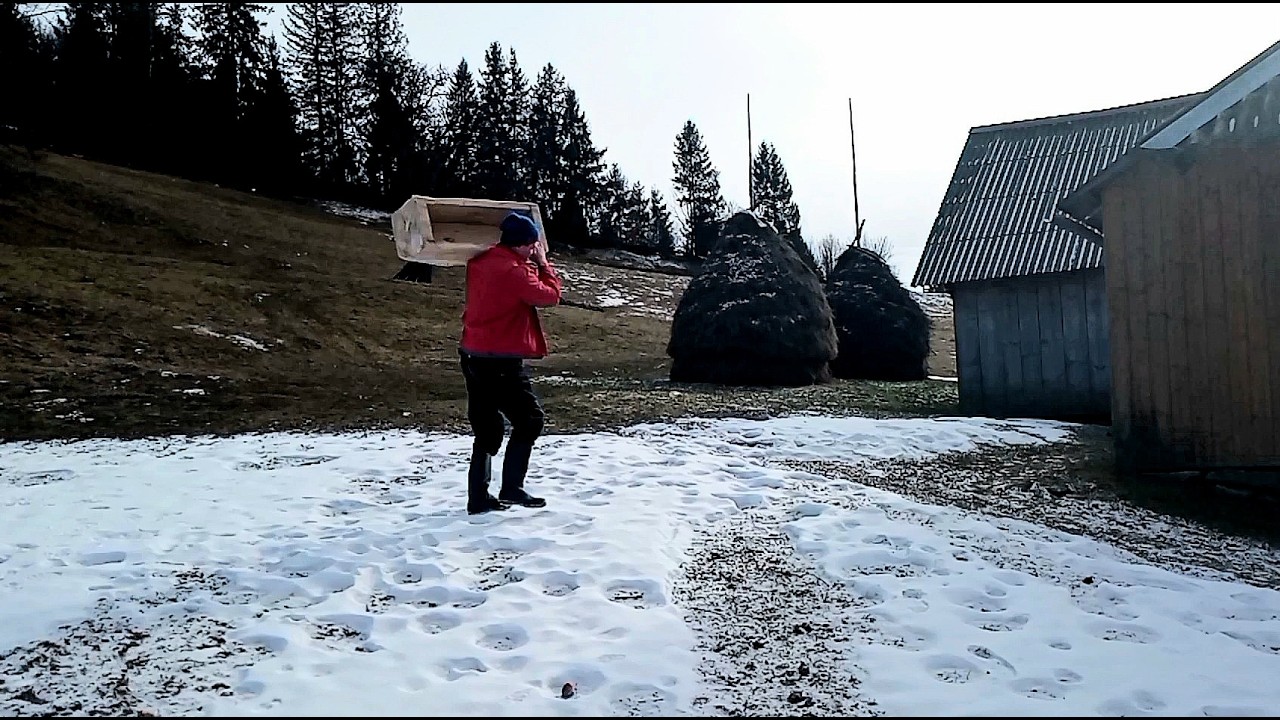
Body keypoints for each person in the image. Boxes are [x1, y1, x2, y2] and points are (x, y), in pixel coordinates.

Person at [458, 210, 562, 515]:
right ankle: (512, 488)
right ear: (521, 244)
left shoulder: (480, 262)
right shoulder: (515, 271)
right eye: (531, 244)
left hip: (472, 354)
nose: (534, 249)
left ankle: (478, 497)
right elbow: (550, 296)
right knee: (530, 420)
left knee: (487, 428)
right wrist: (544, 265)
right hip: (500, 360)